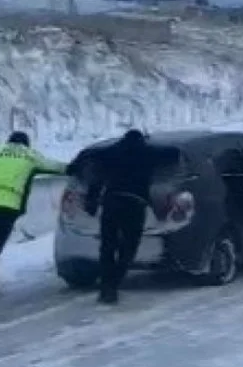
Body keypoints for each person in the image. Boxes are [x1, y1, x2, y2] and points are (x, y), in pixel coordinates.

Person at [67, 129, 181, 304]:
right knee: (129, 247)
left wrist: (74, 170)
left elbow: (90, 158)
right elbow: (174, 153)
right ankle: (115, 281)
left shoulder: (110, 151)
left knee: (107, 247)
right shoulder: (148, 152)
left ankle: (107, 287)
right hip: (134, 204)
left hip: (111, 203)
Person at [0, 131, 66, 303]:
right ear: (26, 144)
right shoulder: (29, 156)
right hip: (8, 207)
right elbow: (56, 167)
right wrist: (79, 165)